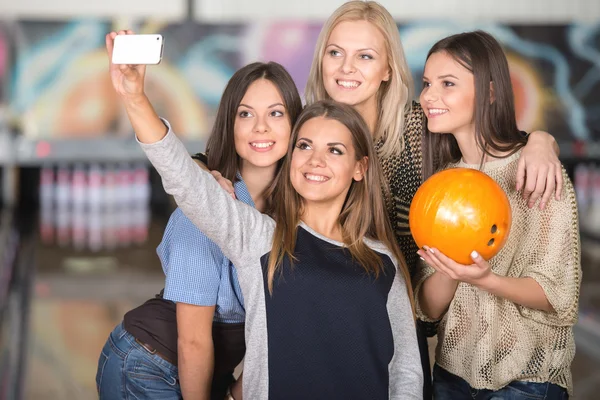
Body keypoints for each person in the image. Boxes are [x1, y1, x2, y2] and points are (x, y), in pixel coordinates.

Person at [105, 28, 424, 398]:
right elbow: (183, 178)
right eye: (306, 145)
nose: (317, 159)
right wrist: (134, 97)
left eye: (335, 150)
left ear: (360, 167)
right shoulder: (258, 237)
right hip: (150, 362)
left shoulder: (380, 259)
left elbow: (402, 371)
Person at [300, 2, 565, 397]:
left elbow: (486, 141)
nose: (345, 67)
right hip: (323, 316)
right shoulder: (307, 131)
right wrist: (203, 165)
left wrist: (541, 141)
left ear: (388, 68)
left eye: (365, 56)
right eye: (335, 52)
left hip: (405, 324)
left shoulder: (420, 129)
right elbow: (245, 155)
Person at [95, 57, 303, 399]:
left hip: (210, 372)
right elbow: (192, 342)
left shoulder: (296, 212)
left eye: (276, 113)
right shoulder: (205, 210)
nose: (261, 127)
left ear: (296, 124)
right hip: (148, 363)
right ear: (229, 124)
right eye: (246, 114)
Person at [415, 30, 581, 399]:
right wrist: (451, 271)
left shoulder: (537, 170)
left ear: (490, 92)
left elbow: (557, 295)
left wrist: (487, 280)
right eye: (427, 83)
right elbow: (428, 308)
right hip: (451, 377)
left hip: (528, 381)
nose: (429, 96)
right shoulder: (440, 184)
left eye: (447, 83)